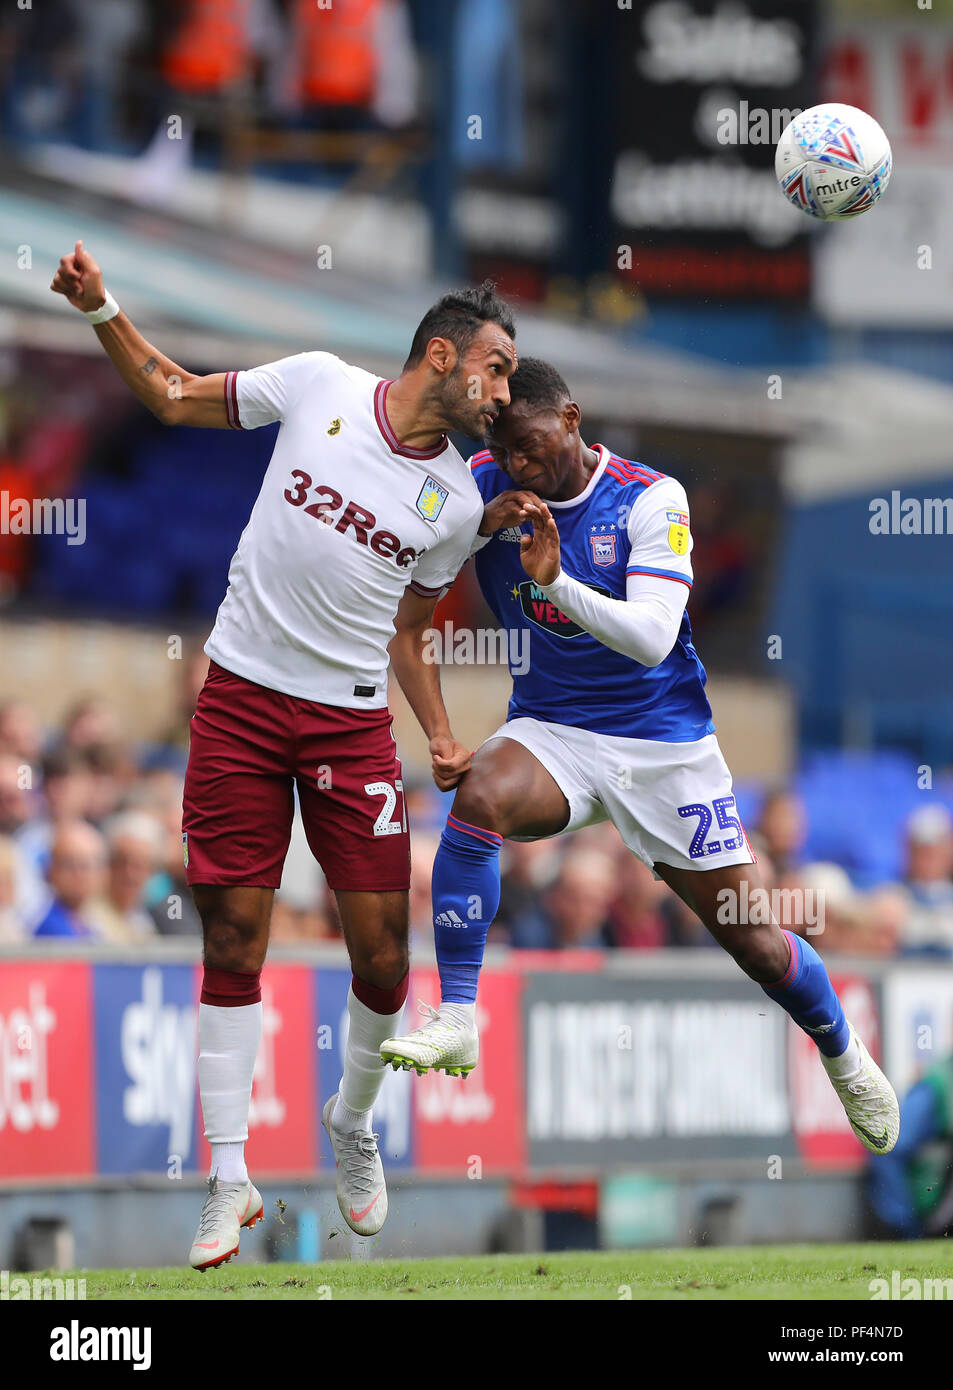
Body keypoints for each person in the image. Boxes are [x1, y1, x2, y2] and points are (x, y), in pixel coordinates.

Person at [50, 240, 518, 1265]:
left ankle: (350, 1123)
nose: (501, 391)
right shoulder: (318, 387)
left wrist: (436, 728)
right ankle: (227, 1178)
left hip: (350, 726)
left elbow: (409, 626)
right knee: (230, 941)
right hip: (240, 707)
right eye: (494, 368)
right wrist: (101, 308)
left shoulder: (452, 506)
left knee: (385, 960)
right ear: (439, 355)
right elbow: (172, 395)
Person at [381, 357, 900, 1158]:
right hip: (554, 732)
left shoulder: (650, 497)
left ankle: (838, 1045)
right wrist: (472, 527)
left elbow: (651, 637)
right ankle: (455, 1015)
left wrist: (555, 583)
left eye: (531, 445)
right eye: (505, 449)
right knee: (478, 792)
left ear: (571, 419)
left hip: (663, 749)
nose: (520, 465)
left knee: (753, 939)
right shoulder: (478, 485)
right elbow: (410, 578)